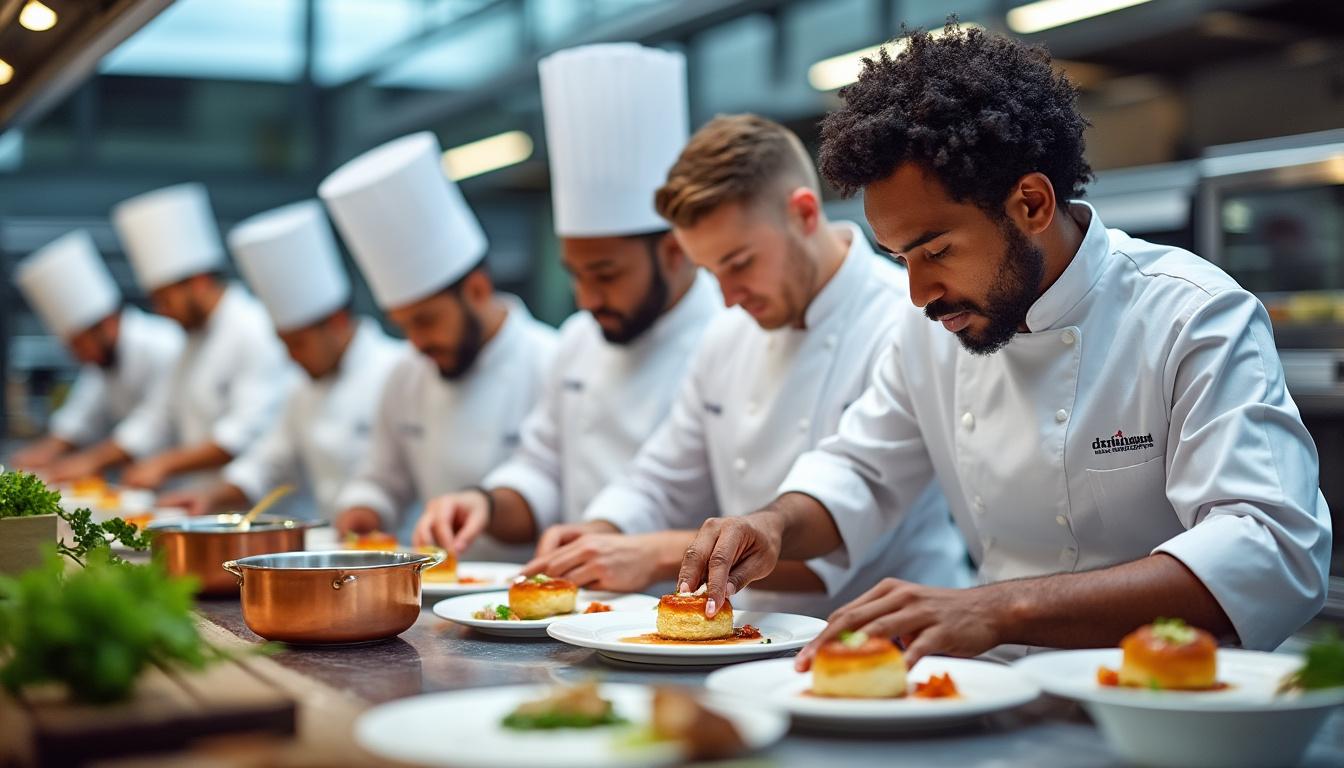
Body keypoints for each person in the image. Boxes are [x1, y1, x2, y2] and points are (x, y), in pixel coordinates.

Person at [675, 24, 1332, 664]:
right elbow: (862, 470)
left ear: (1033, 205)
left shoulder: (1192, 315)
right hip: (998, 693)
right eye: (899, 257)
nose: (917, 292)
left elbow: (1270, 551)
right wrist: (773, 525)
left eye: (936, 250)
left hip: (1171, 703)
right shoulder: (929, 334)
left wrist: (997, 607)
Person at [526, 114, 970, 615]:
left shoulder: (902, 318)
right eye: (712, 272)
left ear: (803, 213)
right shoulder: (727, 335)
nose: (729, 296)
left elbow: (847, 523)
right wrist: (598, 533)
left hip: (890, 638)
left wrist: (653, 554)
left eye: (739, 264)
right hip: (751, 631)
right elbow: (663, 478)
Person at [412, 43, 718, 556]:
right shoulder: (580, 339)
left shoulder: (728, 332)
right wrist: (484, 501)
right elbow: (541, 469)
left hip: (696, 617)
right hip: (584, 603)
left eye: (604, 274)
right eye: (574, 274)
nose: (587, 298)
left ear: (672, 251)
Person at [319, 132, 557, 553]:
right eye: (403, 325)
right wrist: (365, 508)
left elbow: (551, 486)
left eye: (426, 321)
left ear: (478, 290)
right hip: (434, 589)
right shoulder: (408, 372)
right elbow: (381, 476)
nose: (416, 342)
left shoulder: (549, 359)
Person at [158, 201, 403, 521]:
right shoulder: (302, 390)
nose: (291, 357)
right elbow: (267, 462)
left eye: (298, 343)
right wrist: (209, 498)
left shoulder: (395, 369)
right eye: (284, 344)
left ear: (337, 322)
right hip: (336, 547)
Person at [47, 183, 294, 489]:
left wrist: (164, 463)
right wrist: (93, 461)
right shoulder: (191, 341)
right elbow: (158, 414)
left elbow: (245, 431)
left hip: (261, 512)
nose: (161, 312)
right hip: (202, 504)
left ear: (199, 282)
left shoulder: (254, 329)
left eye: (164, 298)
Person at [11, 230, 181, 477]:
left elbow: (154, 420)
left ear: (107, 322)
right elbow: (81, 415)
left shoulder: (162, 344)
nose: (77, 355)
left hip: (178, 481)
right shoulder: (103, 361)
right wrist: (44, 452)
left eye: (79, 344)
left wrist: (89, 461)